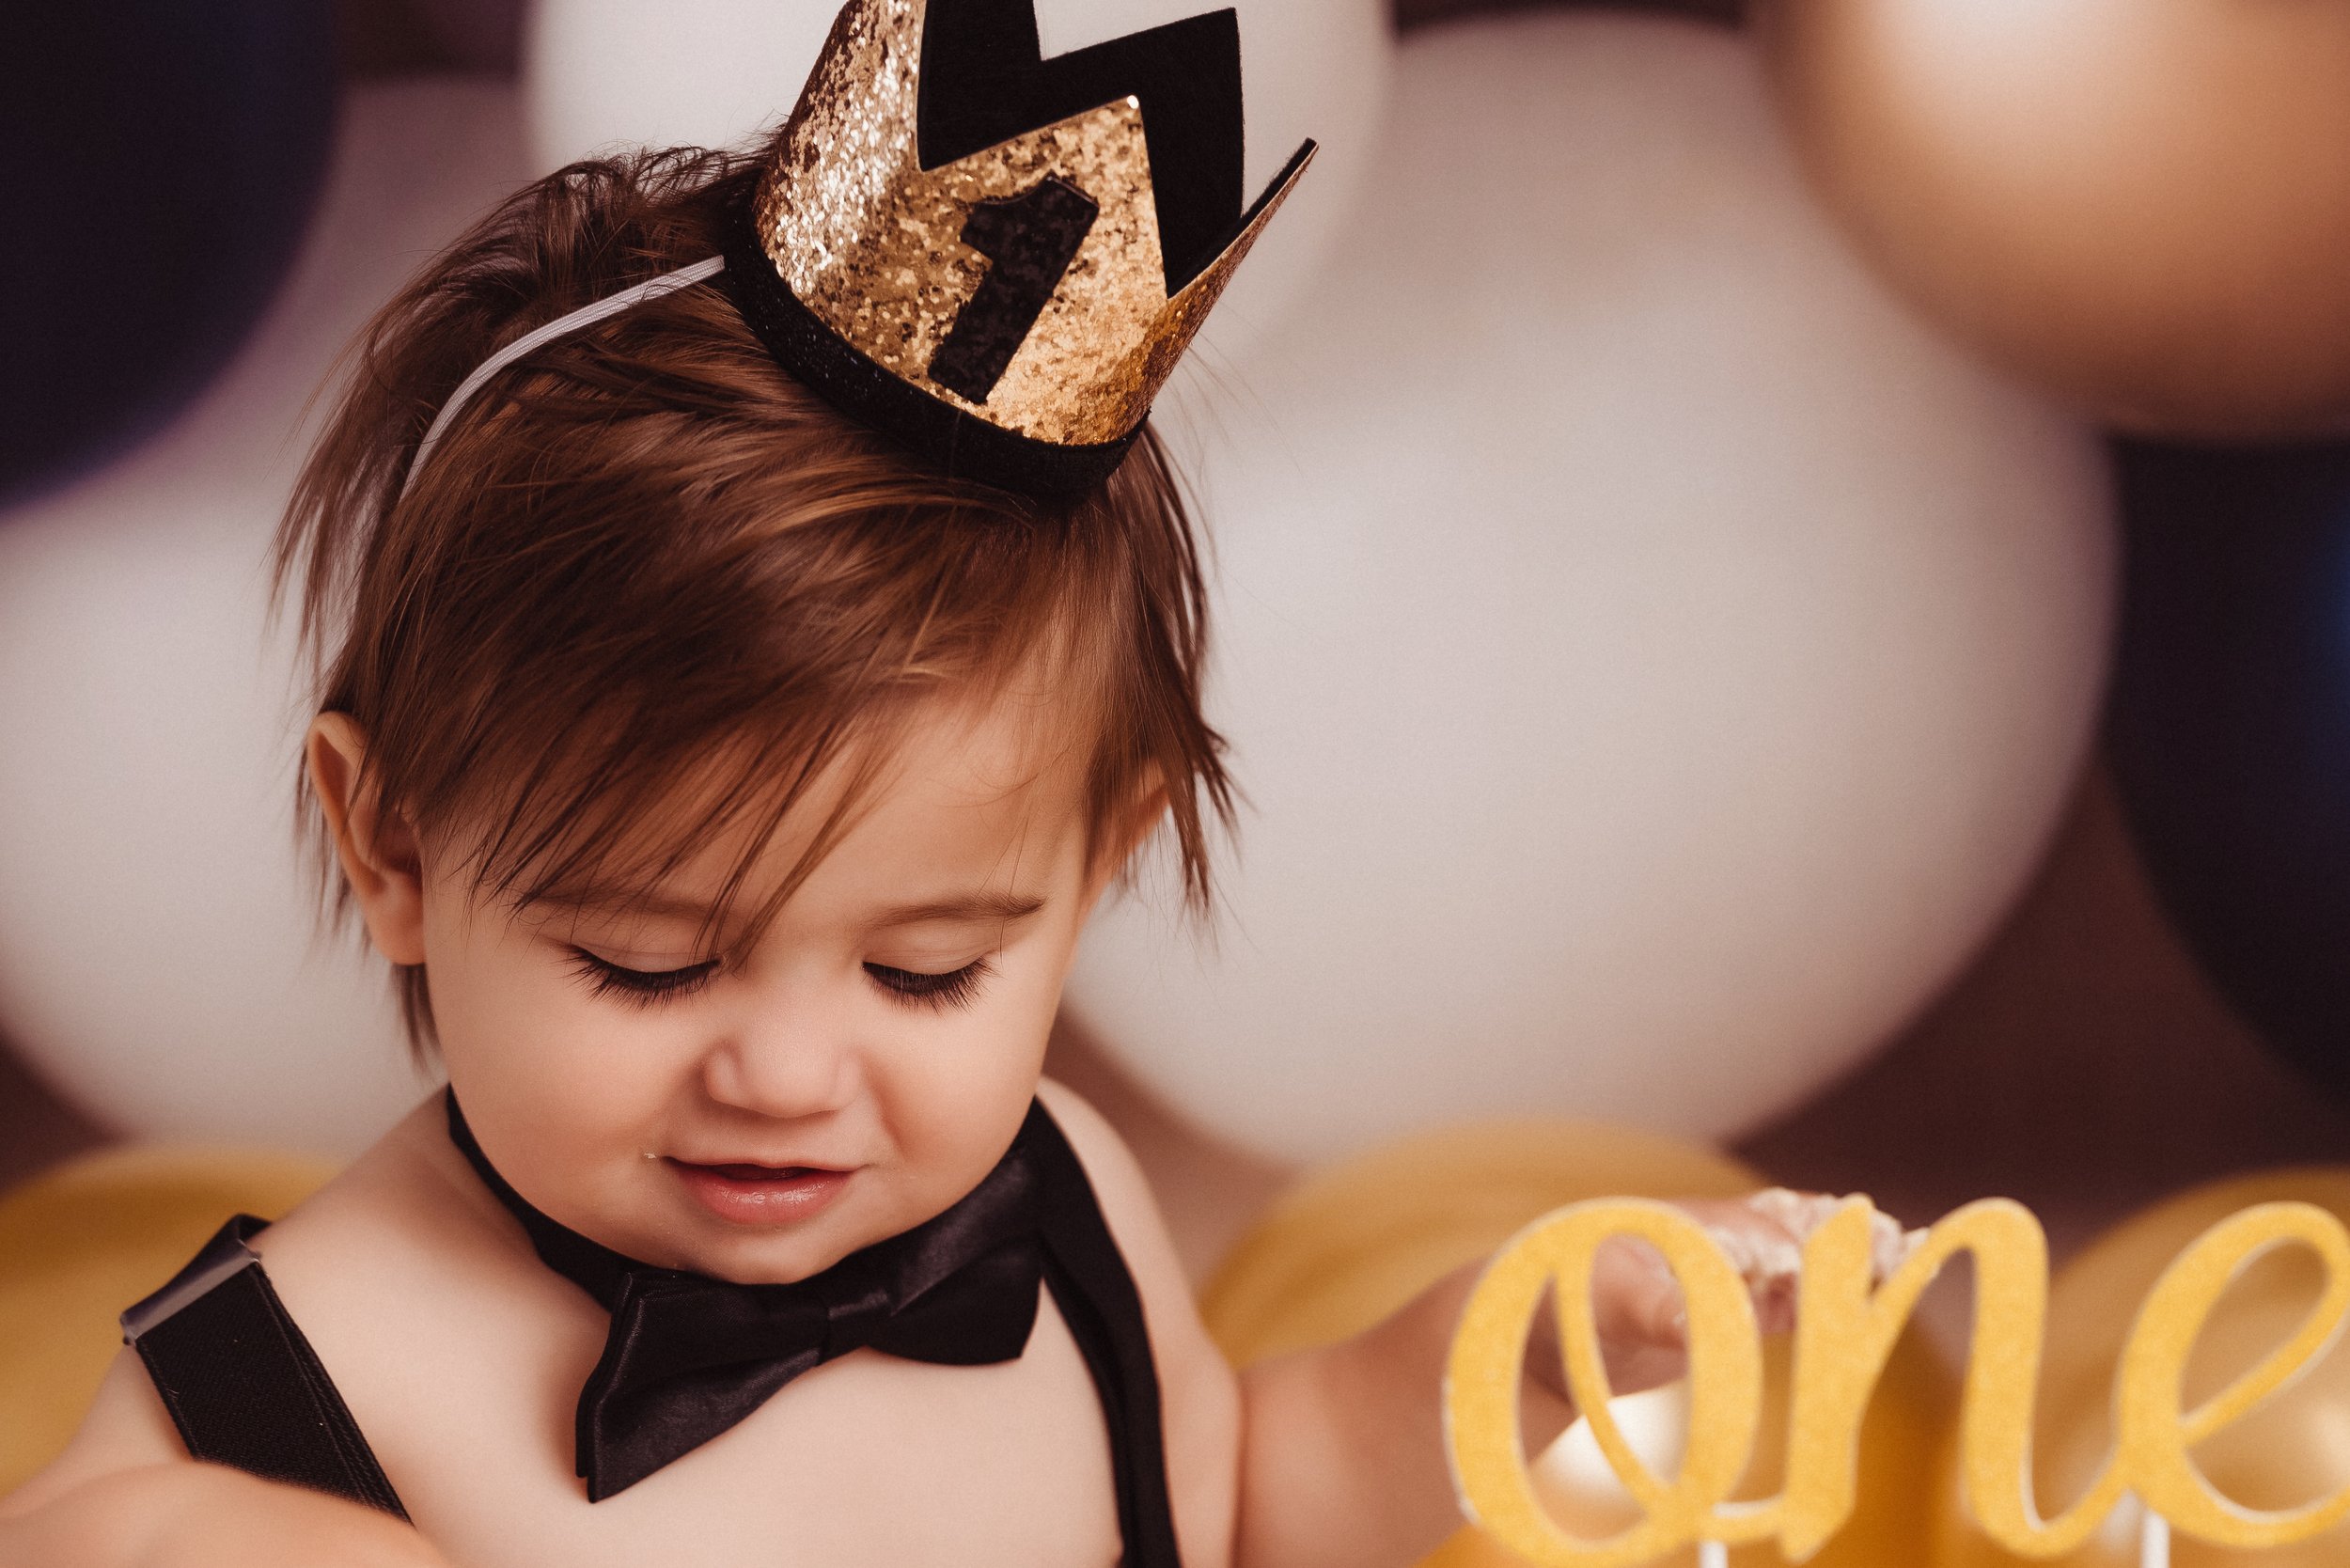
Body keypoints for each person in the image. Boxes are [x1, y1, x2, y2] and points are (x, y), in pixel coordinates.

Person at [0, 3, 1873, 1564]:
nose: (790, 1075)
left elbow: (1243, 1509)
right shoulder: (297, 1370)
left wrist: (1506, 1362)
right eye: (649, 964)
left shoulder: (1058, 1202)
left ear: (1095, 865)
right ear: (392, 844)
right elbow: (85, 1532)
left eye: (925, 975)